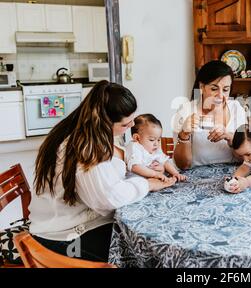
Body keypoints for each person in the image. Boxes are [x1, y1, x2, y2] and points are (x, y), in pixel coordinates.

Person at [28, 81, 174, 262]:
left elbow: (107, 179)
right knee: (146, 254)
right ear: (105, 121)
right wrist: (147, 184)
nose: (130, 128)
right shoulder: (85, 146)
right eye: (125, 124)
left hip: (68, 223)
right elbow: (107, 198)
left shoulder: (83, 130)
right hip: (62, 236)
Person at [172, 60, 246, 169]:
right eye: (214, 89)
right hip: (196, 176)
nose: (221, 95)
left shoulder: (236, 109)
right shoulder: (185, 110)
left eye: (226, 89)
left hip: (234, 175)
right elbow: (183, 165)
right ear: (202, 86)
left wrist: (231, 138)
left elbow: (246, 158)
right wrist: (184, 135)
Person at [126, 113, 186, 182]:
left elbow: (165, 162)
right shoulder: (135, 147)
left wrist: (175, 173)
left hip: (153, 180)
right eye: (151, 140)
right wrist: (155, 174)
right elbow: (135, 167)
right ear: (137, 138)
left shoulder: (154, 149)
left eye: (158, 140)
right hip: (137, 182)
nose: (156, 143)